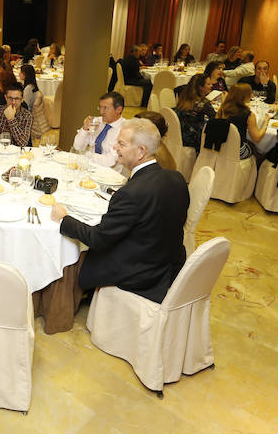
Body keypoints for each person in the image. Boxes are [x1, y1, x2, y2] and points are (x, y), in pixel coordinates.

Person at [51, 118, 189, 303]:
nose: (115, 147)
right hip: (168, 264)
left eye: (121, 144)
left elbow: (98, 239)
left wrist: (64, 219)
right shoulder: (176, 178)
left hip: (139, 274)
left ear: (141, 151)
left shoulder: (131, 194)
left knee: (74, 254)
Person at [72, 92, 126, 169]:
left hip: (109, 174)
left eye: (105, 108)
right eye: (100, 107)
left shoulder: (125, 129)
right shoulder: (97, 122)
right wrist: (85, 128)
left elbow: (110, 162)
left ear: (118, 109)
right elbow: (77, 146)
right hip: (88, 167)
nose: (101, 112)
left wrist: (86, 154)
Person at [216, 83, 268, 159]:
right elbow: (257, 138)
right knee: (260, 153)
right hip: (238, 151)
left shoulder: (222, 109)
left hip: (220, 148)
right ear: (246, 96)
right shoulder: (248, 114)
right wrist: (266, 122)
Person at [174, 74, 216, 151]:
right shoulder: (202, 103)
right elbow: (215, 118)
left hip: (180, 134)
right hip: (194, 138)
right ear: (200, 87)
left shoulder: (184, 96)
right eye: (208, 84)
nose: (211, 86)